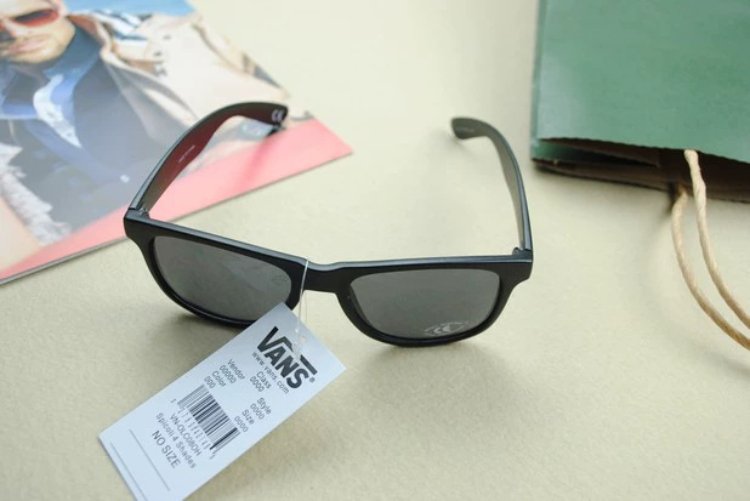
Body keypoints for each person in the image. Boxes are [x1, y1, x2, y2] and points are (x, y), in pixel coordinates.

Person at [0, 0, 293, 242]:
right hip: (142, 241)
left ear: (58, 7)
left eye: (31, 16)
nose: (14, 33)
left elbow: (292, 103)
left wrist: (247, 133)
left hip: (252, 202)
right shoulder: (11, 103)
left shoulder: (181, 38)